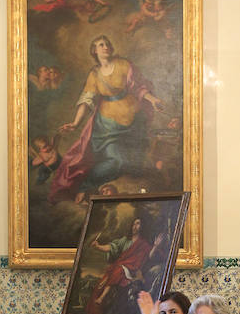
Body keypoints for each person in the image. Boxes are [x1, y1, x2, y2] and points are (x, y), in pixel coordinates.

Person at [49, 36, 163, 203]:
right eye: (101, 45)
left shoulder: (124, 64)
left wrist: (153, 100)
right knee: (117, 161)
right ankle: (86, 185)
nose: (106, 47)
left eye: (107, 44)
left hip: (134, 123)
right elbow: (86, 99)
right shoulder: (94, 75)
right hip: (108, 127)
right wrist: (75, 123)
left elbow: (138, 87)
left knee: (139, 163)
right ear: (94, 51)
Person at [85, 217, 163, 314]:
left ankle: (103, 297)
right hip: (118, 269)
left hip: (131, 271)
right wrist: (98, 246)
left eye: (138, 224)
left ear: (142, 226)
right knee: (98, 288)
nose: (135, 226)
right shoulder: (125, 241)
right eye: (134, 224)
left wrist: (156, 246)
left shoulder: (143, 244)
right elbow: (112, 247)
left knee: (119, 269)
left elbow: (149, 256)